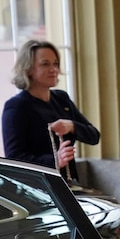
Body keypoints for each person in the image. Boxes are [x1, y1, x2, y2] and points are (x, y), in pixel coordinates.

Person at [2, 39, 100, 182]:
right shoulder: (16, 106)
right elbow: (15, 158)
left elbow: (94, 136)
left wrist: (71, 126)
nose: (54, 69)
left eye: (55, 63)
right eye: (45, 64)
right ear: (28, 69)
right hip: (38, 188)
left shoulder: (61, 98)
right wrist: (55, 160)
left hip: (69, 183)